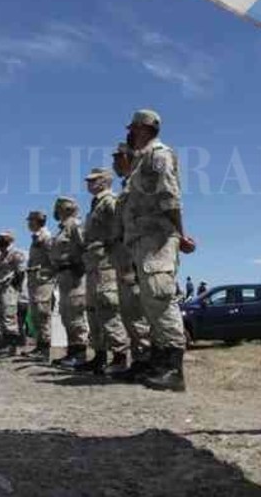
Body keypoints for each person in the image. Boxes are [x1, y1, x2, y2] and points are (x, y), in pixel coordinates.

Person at [121, 109, 195, 392]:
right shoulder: (140, 161)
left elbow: (170, 196)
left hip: (159, 239)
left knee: (161, 298)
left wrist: (180, 232)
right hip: (143, 242)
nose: (129, 133)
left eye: (133, 128)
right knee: (151, 303)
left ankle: (175, 371)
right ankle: (160, 364)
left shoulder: (158, 155)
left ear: (143, 128)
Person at [77, 167, 130, 374]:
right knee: (93, 311)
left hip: (106, 263)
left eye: (94, 180)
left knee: (108, 308)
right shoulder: (96, 204)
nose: (89, 183)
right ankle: (99, 356)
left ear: (106, 181)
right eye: (89, 180)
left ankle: (119, 356)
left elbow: (121, 229)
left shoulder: (110, 201)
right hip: (92, 264)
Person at [108, 142, 153, 382]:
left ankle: (145, 361)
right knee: (128, 311)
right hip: (123, 255)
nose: (114, 163)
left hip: (137, 254)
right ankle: (138, 360)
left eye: (118, 158)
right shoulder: (126, 186)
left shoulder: (138, 182)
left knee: (137, 310)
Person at [49, 196, 89, 368]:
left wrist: (79, 266)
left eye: (60, 208)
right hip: (63, 276)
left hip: (75, 275)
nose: (57, 211)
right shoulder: (62, 229)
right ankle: (72, 352)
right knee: (67, 315)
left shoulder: (75, 225)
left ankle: (79, 354)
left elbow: (85, 247)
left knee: (76, 316)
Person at [23, 211, 54, 358]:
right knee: (36, 315)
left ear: (37, 221)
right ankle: (39, 346)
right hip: (35, 282)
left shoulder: (46, 238)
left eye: (31, 221)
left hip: (43, 282)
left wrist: (45, 274)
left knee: (42, 314)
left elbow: (53, 259)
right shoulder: (36, 238)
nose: (29, 223)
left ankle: (45, 348)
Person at [0, 231, 26, 356]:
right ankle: (5, 344)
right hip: (0, 288)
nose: (0, 240)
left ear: (9, 239)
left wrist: (15, 287)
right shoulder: (1, 255)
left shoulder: (15, 253)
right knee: (1, 317)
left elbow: (21, 271)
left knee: (9, 316)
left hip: (9, 288)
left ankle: (13, 347)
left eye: (2, 238)